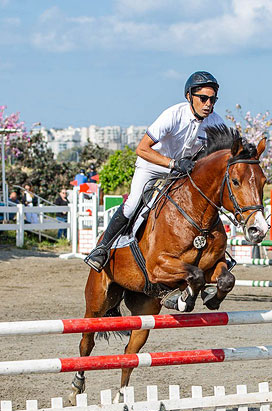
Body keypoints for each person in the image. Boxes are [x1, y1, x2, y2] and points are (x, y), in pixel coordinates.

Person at [84, 71, 226, 272]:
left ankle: (217, 254)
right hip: (153, 165)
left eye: (212, 99)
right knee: (133, 204)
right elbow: (142, 149)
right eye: (203, 98)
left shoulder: (216, 122)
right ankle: (102, 249)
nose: (208, 104)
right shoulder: (173, 115)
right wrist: (172, 164)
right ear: (189, 97)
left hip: (182, 171)